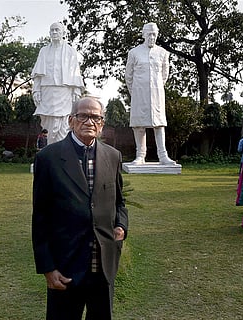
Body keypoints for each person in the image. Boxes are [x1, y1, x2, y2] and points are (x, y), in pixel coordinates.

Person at [32, 97, 128, 320]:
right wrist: (48, 267)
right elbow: (41, 217)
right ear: (71, 120)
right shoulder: (48, 158)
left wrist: (121, 225)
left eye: (95, 117)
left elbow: (119, 203)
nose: (89, 121)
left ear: (102, 123)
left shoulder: (113, 157)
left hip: (103, 266)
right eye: (83, 115)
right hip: (66, 268)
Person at [125, 22, 175, 165]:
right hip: (139, 93)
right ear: (143, 35)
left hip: (157, 93)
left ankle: (163, 155)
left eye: (154, 34)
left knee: (159, 124)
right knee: (139, 125)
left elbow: (165, 74)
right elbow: (128, 76)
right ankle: (140, 155)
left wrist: (156, 87)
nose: (152, 37)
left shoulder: (163, 53)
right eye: (149, 34)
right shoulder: (134, 53)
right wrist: (135, 92)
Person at [31, 22, 85, 145]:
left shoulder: (71, 51)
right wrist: (36, 90)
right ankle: (51, 152)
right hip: (47, 91)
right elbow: (38, 75)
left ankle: (60, 154)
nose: (54, 32)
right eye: (52, 30)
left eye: (57, 30)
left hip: (64, 92)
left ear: (63, 33)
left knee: (63, 123)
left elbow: (75, 72)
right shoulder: (44, 51)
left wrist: (76, 91)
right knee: (49, 123)